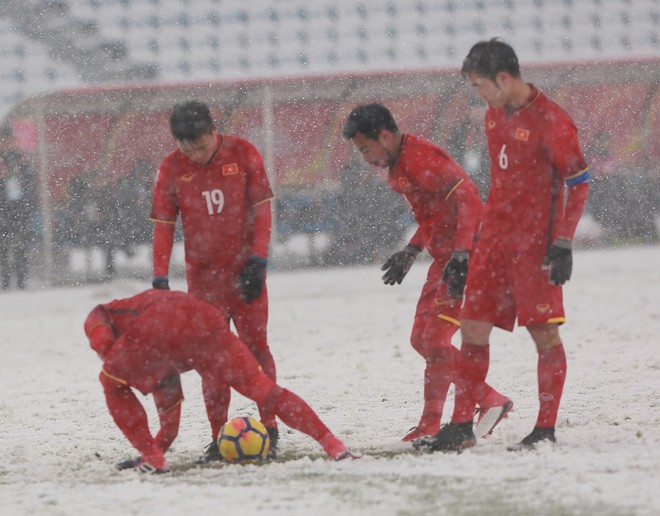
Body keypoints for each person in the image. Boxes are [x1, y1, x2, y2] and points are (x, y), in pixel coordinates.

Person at [416, 38, 590, 453]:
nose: (478, 96)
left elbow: (579, 182)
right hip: (493, 243)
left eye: (480, 86)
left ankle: (544, 429)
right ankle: (461, 426)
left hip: (534, 249)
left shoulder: (553, 122)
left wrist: (563, 241)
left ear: (504, 78)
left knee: (544, 335)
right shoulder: (493, 115)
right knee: (472, 329)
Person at [342, 103, 512, 442]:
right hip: (446, 258)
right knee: (420, 338)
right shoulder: (400, 165)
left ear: (385, 136)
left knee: (435, 340)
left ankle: (432, 424)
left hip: (471, 254)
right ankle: (489, 399)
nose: (364, 158)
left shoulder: (421, 160)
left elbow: (469, 200)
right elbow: (435, 214)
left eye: (365, 148)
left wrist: (463, 252)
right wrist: (412, 249)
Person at [84, 289, 351, 473]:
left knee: (110, 382)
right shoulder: (150, 339)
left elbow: (98, 329)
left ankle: (153, 461)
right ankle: (334, 445)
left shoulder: (105, 314)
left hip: (159, 325)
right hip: (204, 319)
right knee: (264, 390)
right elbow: (167, 399)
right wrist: (158, 447)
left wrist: (108, 354)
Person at [150, 101, 279, 455]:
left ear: (213, 130)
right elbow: (163, 225)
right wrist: (160, 277)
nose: (195, 155)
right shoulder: (171, 168)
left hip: (245, 276)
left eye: (201, 146)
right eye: (186, 148)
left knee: (256, 349)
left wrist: (258, 259)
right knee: (213, 360)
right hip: (205, 285)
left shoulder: (243, 152)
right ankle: (218, 435)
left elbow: (262, 209)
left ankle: (270, 427)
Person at [0, 124, 40, 290]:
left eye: (8, 139)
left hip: (20, 208)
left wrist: (29, 203)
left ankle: (21, 278)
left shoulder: (20, 157)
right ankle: (5, 279)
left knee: (21, 244)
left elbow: (30, 180)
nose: (6, 142)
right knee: (3, 246)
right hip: (2, 208)